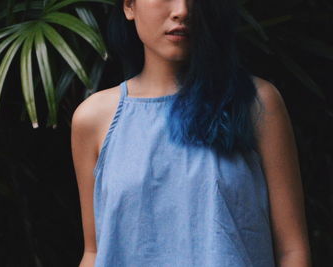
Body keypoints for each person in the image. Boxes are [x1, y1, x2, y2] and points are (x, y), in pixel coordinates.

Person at [71, 0, 312, 266]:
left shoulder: (255, 103)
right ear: (129, 6)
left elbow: (292, 250)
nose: (182, 10)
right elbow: (94, 252)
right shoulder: (93, 118)